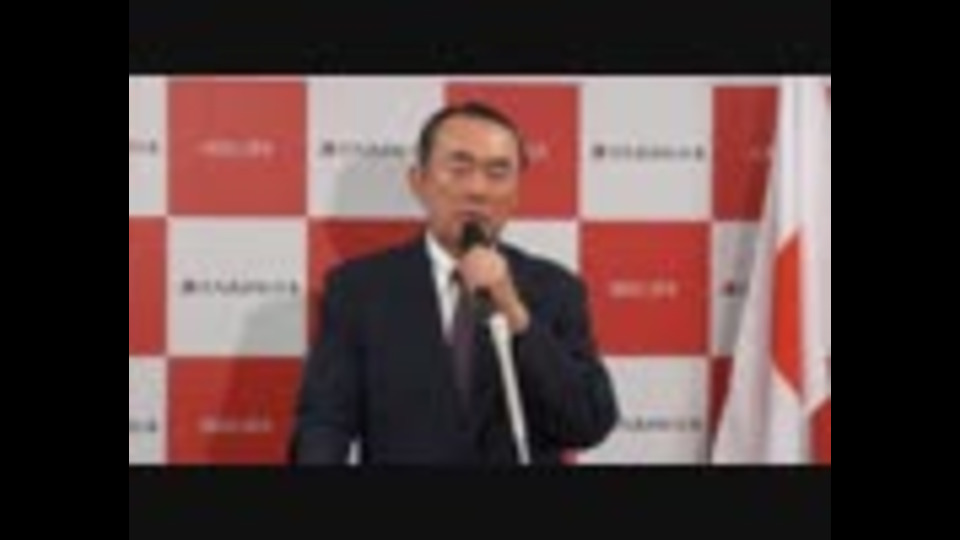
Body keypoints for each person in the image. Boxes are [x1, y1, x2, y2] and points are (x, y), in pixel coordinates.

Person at [290, 101, 618, 465]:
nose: (477, 189)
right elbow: (325, 424)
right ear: (418, 181)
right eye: (459, 169)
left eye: (497, 173)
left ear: (517, 192)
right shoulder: (359, 290)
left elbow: (587, 423)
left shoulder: (556, 289)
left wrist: (515, 313)